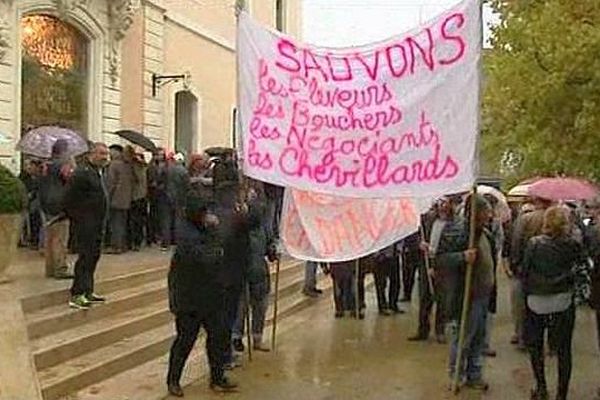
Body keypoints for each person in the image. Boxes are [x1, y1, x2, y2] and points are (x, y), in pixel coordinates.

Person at [166, 192, 237, 397]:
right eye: (204, 211)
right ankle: (173, 379)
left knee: (217, 338)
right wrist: (215, 236)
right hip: (189, 299)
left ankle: (217, 377)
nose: (209, 215)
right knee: (185, 341)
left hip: (212, 296)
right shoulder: (186, 234)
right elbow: (206, 257)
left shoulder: (204, 229)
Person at [522, 206, 585, 400]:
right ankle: (561, 394)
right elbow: (580, 268)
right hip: (563, 301)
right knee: (564, 350)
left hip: (536, 300)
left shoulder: (534, 244)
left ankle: (541, 388)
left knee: (536, 347)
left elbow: (525, 270)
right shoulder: (573, 245)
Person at [436, 194, 495, 391]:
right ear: (476, 212)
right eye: (486, 210)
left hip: (482, 294)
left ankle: (474, 374)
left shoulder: (485, 233)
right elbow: (441, 260)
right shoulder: (457, 232)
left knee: (478, 338)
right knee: (463, 337)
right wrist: (462, 257)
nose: (490, 214)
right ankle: (456, 374)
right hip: (466, 295)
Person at [232, 181, 277, 353]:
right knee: (241, 307)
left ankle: (257, 337)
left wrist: (272, 250)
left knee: (260, 306)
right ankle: (236, 337)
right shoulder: (238, 228)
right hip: (243, 272)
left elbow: (268, 247)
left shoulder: (263, 229)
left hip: (259, 271)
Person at [64, 142, 109, 309]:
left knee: (93, 257)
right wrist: (79, 218)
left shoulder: (98, 172)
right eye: (101, 153)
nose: (105, 157)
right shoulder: (82, 173)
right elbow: (69, 199)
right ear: (92, 154)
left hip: (97, 223)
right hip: (85, 225)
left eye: (106, 154)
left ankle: (88, 290)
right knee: (85, 258)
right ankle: (77, 294)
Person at [509, 197, 552, 349]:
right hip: (547, 271)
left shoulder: (525, 219)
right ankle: (549, 341)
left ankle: (522, 338)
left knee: (522, 307)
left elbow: (516, 242)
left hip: (525, 269)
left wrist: (515, 265)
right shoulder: (556, 219)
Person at [409, 200, 453, 343]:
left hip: (443, 267)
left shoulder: (455, 224)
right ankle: (422, 330)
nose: (443, 205)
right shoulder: (427, 221)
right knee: (424, 299)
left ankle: (439, 331)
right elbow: (415, 237)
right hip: (426, 264)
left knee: (442, 300)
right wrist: (420, 244)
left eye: (446, 203)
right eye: (441, 202)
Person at [38, 139, 75, 279]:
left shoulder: (45, 165)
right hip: (60, 204)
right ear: (64, 151)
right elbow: (71, 179)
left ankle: (50, 268)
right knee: (60, 238)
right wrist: (72, 165)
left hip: (45, 203)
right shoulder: (63, 165)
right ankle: (60, 268)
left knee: (49, 238)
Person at [106, 144, 134, 254]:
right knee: (122, 223)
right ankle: (122, 245)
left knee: (115, 224)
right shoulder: (128, 165)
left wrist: (107, 196)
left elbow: (111, 183)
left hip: (115, 199)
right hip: (126, 199)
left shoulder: (114, 165)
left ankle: (116, 246)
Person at [126, 146, 148, 252]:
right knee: (136, 221)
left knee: (136, 221)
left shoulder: (138, 166)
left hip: (137, 196)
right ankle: (135, 242)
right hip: (140, 196)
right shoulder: (141, 165)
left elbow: (138, 179)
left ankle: (136, 242)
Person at [373, 243, 403, 315]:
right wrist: (377, 254)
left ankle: (393, 304)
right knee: (381, 283)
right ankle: (382, 306)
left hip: (393, 255)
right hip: (380, 257)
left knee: (395, 281)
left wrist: (399, 249)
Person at [401, 231, 422, 302]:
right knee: (408, 275)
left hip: (417, 250)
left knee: (417, 275)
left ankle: (409, 294)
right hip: (409, 250)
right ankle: (407, 294)